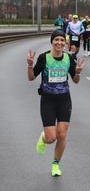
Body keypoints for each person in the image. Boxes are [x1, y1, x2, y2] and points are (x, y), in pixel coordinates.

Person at [27, 30, 85, 176]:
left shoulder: (68, 59)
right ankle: (43, 137)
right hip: (48, 100)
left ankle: (55, 164)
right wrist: (29, 65)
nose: (59, 43)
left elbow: (76, 81)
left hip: (64, 99)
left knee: (62, 135)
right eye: (56, 40)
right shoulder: (44, 58)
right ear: (52, 42)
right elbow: (31, 78)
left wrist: (77, 72)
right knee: (51, 138)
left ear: (65, 43)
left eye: (61, 40)